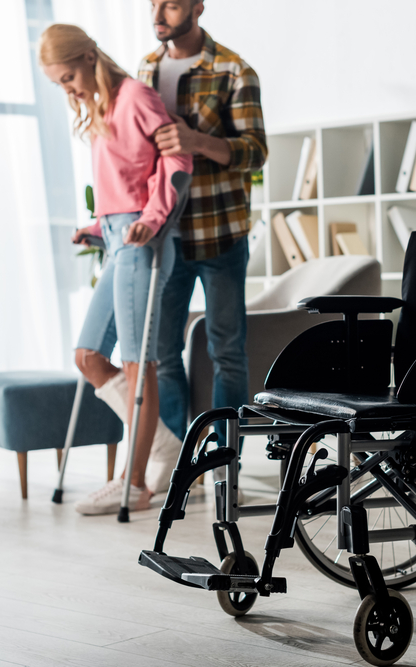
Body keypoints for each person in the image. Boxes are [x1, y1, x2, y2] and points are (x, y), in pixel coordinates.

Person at [39, 24, 192, 515]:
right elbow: (121, 181)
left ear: (88, 57)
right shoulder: (105, 107)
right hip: (116, 235)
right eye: (59, 83)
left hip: (142, 239)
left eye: (67, 78)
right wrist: (97, 228)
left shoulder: (136, 97)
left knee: (137, 362)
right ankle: (163, 443)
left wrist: (149, 219)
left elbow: (177, 160)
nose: (68, 90)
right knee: (88, 356)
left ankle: (135, 481)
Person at [139, 0, 268, 446]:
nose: (158, 13)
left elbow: (255, 152)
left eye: (170, 5)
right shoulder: (147, 69)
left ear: (197, 7)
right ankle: (180, 464)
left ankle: (223, 461)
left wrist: (196, 141)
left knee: (226, 354)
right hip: (166, 237)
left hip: (221, 236)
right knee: (162, 352)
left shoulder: (234, 70)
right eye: (153, 4)